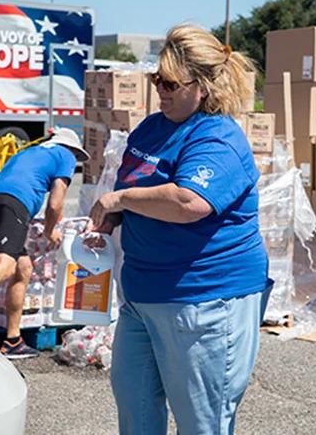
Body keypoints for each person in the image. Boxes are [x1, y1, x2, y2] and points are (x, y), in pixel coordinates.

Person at [89, 24, 272, 435]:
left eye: (172, 82)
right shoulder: (152, 128)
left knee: (201, 423)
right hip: (142, 295)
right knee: (135, 412)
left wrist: (119, 202)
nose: (161, 90)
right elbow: (134, 189)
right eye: (158, 79)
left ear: (203, 87)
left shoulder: (218, 137)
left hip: (202, 301)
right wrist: (113, 217)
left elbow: (190, 202)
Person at [0, 128, 89, 359]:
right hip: (15, 203)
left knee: (23, 268)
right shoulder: (65, 155)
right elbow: (56, 203)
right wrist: (50, 232)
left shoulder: (31, 151)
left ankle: (12, 340)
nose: (75, 162)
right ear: (71, 148)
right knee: (7, 264)